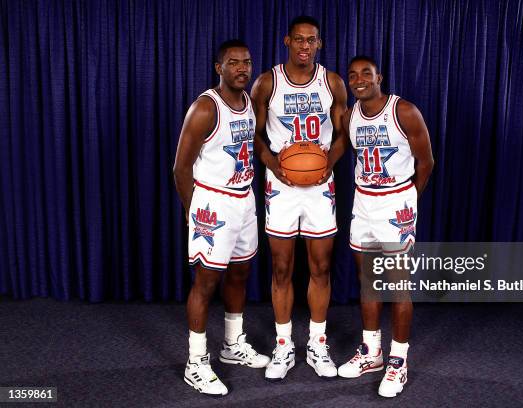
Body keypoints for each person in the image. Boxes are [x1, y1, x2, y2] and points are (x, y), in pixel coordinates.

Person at [326, 56, 434, 397]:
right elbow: (345, 149)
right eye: (353, 75)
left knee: (398, 286)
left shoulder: (404, 111)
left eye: (366, 74)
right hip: (363, 203)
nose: (359, 80)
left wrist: (407, 200)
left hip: (395, 203)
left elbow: (426, 161)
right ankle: (372, 351)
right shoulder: (350, 114)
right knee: (368, 281)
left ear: (379, 77)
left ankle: (398, 362)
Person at [250, 15, 348, 381]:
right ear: (286, 41)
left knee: (321, 266)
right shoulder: (267, 83)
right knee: (280, 267)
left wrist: (329, 164)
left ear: (319, 44)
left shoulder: (332, 82)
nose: (305, 46)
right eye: (299, 40)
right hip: (282, 186)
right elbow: (255, 134)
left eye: (312, 40)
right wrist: (273, 164)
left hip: (321, 186)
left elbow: (343, 135)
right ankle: (283, 344)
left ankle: (317, 344)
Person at [173, 39, 270, 397]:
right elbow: (181, 168)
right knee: (205, 282)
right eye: (233, 63)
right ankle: (195, 362)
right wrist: (191, 209)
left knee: (240, 272)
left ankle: (232, 345)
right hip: (212, 203)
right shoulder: (205, 107)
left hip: (244, 199)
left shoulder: (247, 103)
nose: (242, 68)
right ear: (219, 68)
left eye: (246, 62)